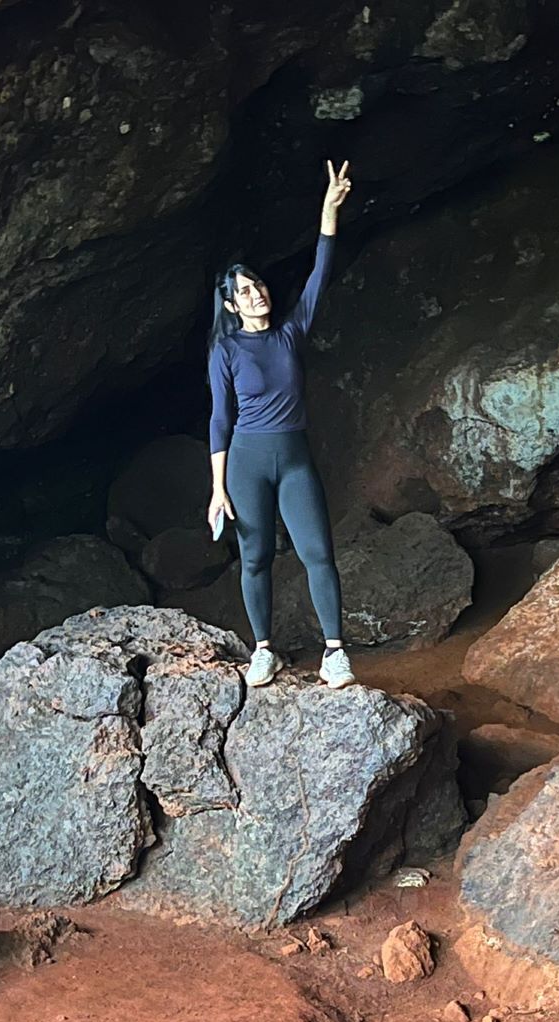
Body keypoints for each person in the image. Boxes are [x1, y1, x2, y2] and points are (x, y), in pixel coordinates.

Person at [206, 159, 357, 690]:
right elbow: (220, 417)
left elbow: (319, 274)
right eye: (246, 291)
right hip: (247, 461)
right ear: (232, 305)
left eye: (259, 285)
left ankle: (334, 653)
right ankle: (263, 650)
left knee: (318, 553)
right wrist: (217, 489)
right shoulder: (226, 350)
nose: (258, 294)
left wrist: (328, 212)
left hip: (294, 459)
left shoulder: (290, 333)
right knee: (256, 557)